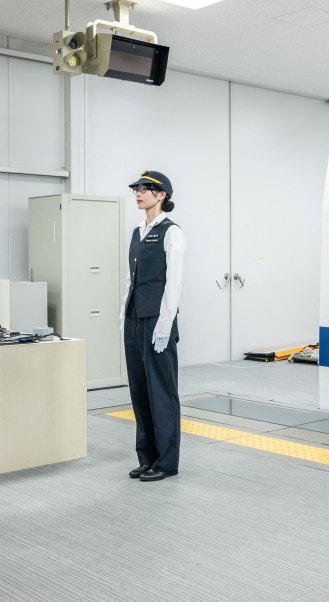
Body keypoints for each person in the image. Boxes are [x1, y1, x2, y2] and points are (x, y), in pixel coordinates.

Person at [121, 171, 185, 482]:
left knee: (162, 391)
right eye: (136, 188)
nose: (138, 193)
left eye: (145, 189)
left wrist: (165, 324)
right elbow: (133, 280)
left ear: (161, 195)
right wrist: (124, 312)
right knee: (140, 390)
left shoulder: (172, 233)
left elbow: (173, 284)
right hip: (135, 318)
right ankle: (147, 457)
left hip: (157, 320)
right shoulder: (137, 231)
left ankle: (167, 462)